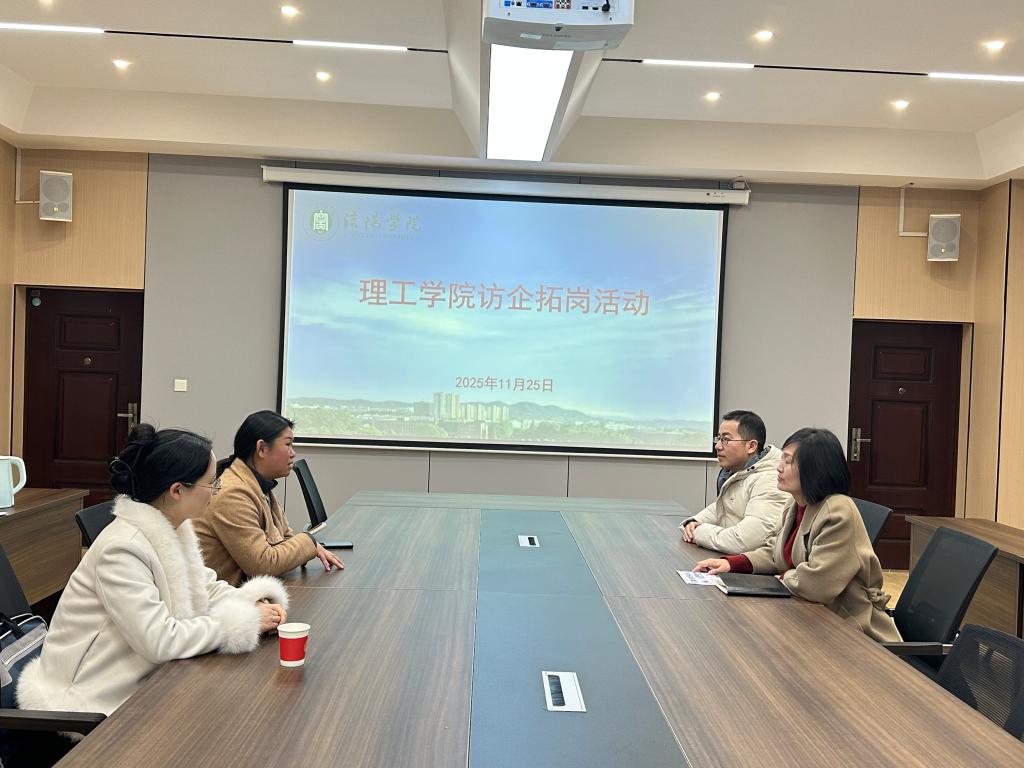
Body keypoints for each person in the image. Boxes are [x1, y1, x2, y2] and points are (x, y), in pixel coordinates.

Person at [17, 425, 289, 719]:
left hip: (147, 681)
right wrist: (239, 623)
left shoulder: (172, 527)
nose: (216, 491)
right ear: (177, 490)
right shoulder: (121, 549)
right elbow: (159, 640)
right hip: (90, 700)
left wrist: (251, 603)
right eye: (212, 483)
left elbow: (203, 586)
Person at [694, 427, 901, 643]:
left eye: (788, 461)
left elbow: (817, 584)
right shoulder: (797, 503)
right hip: (811, 617)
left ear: (815, 468)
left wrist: (783, 578)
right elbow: (775, 551)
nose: (779, 467)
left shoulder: (837, 511)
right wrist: (733, 564)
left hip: (851, 630)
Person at [194, 411, 343, 585]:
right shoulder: (233, 493)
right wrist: (308, 542)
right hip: (229, 596)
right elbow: (262, 564)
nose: (293, 453)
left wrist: (303, 545)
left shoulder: (258, 483)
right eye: (288, 444)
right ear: (262, 449)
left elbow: (285, 538)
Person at [680, 410, 790, 553]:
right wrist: (694, 522)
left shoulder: (770, 480)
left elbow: (744, 541)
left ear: (751, 446)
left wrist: (699, 531)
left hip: (754, 564)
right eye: (718, 438)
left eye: (726, 440)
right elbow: (723, 507)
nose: (717, 446)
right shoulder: (737, 473)